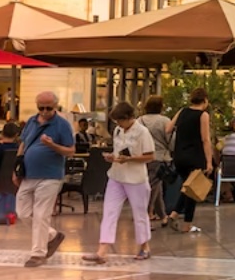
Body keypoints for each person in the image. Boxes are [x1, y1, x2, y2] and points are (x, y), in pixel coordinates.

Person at [87, 102, 155, 264]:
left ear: (129, 118)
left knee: (139, 213)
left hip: (136, 178)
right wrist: (113, 156)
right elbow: (119, 150)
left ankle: (144, 246)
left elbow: (150, 156)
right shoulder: (118, 130)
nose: (118, 124)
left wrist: (130, 159)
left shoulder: (142, 132)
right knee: (109, 211)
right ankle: (102, 250)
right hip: (116, 176)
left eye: (120, 120)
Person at [18, 94, 75, 267]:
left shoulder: (62, 124)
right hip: (29, 174)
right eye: (41, 108)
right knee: (23, 212)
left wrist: (53, 146)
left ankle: (38, 253)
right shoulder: (31, 121)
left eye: (48, 108)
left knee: (42, 214)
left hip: (50, 175)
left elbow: (70, 151)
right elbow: (23, 144)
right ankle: (52, 235)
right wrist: (17, 167)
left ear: (56, 106)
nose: (44, 111)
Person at [166, 89, 214, 234]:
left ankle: (174, 215)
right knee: (193, 190)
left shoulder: (182, 111)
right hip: (195, 157)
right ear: (205, 100)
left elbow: (168, 129)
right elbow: (205, 139)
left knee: (188, 187)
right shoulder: (203, 115)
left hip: (180, 156)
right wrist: (209, 161)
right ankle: (187, 224)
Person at [137, 96, 173, 218]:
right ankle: (146, 214)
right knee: (153, 187)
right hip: (159, 157)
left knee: (155, 186)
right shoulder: (165, 121)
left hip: (142, 157)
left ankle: (162, 216)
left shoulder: (139, 121)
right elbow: (171, 141)